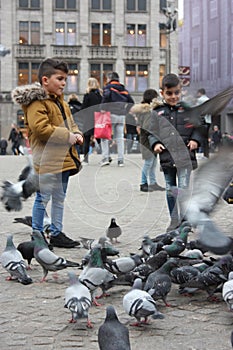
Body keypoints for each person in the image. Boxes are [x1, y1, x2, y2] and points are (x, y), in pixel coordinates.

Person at [12, 58, 84, 248]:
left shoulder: (61, 102)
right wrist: (67, 135)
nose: (63, 83)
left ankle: (56, 232)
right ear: (45, 80)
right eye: (59, 79)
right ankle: (37, 234)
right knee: (43, 198)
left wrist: (76, 133)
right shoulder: (37, 102)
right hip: (47, 159)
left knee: (59, 198)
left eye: (65, 79)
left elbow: (71, 122)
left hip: (64, 159)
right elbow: (40, 129)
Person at [148, 73, 202, 231]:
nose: (173, 96)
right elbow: (152, 132)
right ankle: (174, 220)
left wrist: (195, 140)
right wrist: (155, 143)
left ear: (181, 91)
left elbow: (199, 127)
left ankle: (185, 221)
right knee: (170, 190)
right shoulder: (157, 112)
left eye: (176, 93)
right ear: (162, 93)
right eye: (169, 93)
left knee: (184, 189)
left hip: (185, 157)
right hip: (167, 157)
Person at [130, 88, 165, 192]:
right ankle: (143, 183)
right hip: (148, 140)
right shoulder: (148, 111)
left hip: (148, 139)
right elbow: (147, 126)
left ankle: (153, 182)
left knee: (153, 162)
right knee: (149, 162)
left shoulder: (144, 110)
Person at [100, 71, 134, 167]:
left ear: (110, 78)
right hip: (121, 115)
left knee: (105, 137)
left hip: (110, 114)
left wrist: (102, 108)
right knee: (119, 137)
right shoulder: (124, 89)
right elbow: (131, 102)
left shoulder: (109, 87)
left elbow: (106, 97)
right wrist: (125, 111)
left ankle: (105, 158)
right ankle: (120, 160)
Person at [80, 77, 102, 164]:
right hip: (98, 118)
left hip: (89, 118)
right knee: (100, 138)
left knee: (86, 139)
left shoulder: (87, 95)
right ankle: (106, 156)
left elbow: (83, 108)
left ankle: (85, 159)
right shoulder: (100, 95)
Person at [196, 88, 211, 158]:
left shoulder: (200, 100)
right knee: (206, 138)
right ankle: (206, 154)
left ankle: (202, 153)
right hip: (208, 121)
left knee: (201, 137)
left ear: (200, 93)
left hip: (203, 121)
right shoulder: (208, 99)